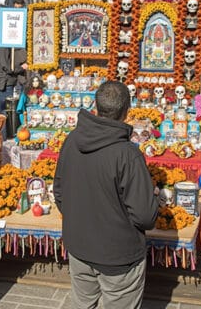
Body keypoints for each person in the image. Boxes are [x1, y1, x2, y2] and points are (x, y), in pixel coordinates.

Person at [53, 81, 158, 309]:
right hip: (118, 255)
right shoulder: (127, 155)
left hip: (79, 247)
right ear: (126, 112)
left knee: (82, 304)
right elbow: (145, 216)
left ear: (96, 106)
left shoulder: (72, 140)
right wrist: (156, 197)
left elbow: (59, 193)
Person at [0, 9, 28, 115]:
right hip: (3, 80)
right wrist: (20, 68)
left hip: (2, 79)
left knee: (2, 110)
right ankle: (2, 131)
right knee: (4, 112)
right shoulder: (2, 38)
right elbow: (6, 64)